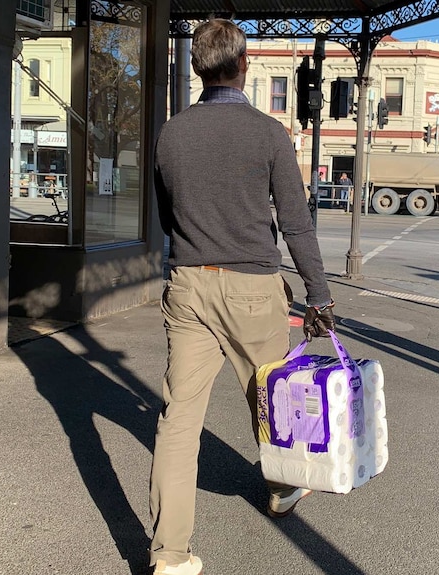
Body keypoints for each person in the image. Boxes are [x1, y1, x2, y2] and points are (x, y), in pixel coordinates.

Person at [149, 18, 336, 575]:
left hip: (188, 285)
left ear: (196, 68)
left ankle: (169, 557)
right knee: (271, 400)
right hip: (254, 287)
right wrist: (318, 297)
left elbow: (168, 217)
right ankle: (281, 489)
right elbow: (297, 225)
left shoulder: (171, 134)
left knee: (178, 423)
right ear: (244, 65)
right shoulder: (268, 133)